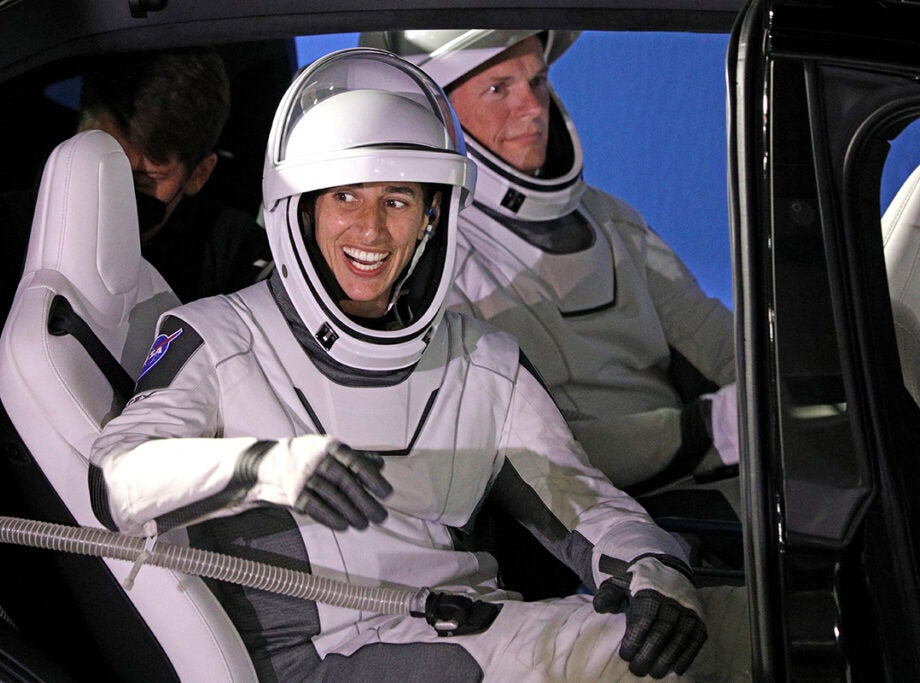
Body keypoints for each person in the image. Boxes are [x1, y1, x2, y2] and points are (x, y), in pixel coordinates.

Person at [89, 47, 748, 682]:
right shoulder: (218, 336)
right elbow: (116, 479)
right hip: (326, 652)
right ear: (302, 206)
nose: (372, 229)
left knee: (750, 626)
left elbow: (582, 500)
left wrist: (652, 565)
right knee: (616, 659)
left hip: (476, 624)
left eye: (397, 200)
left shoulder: (481, 360)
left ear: (433, 215)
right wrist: (268, 465)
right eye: (346, 196)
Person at [0, 47, 271, 550]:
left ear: (199, 175)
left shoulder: (234, 260)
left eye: (145, 181)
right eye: (102, 164)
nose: (118, 196)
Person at [359, 30, 740, 498]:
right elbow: (519, 453)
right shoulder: (421, 260)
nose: (534, 109)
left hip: (702, 486)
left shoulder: (612, 219)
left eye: (537, 82)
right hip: (573, 530)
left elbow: (726, 350)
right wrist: (709, 429)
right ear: (436, 116)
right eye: (498, 89)